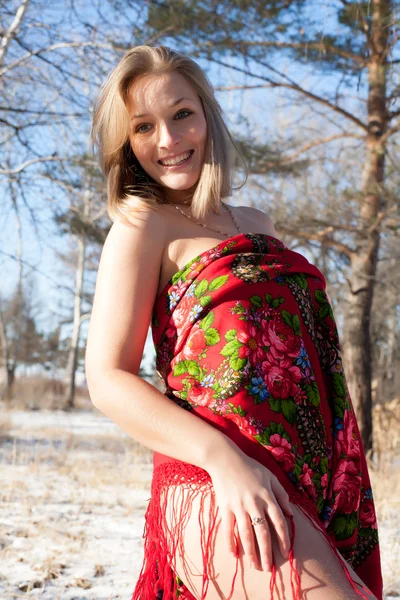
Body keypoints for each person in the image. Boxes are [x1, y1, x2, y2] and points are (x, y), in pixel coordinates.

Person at [85, 45, 383, 600]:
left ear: (207, 116)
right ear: (126, 142)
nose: (169, 141)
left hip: (307, 478)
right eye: (144, 126)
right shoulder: (142, 225)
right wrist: (224, 463)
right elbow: (107, 379)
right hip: (218, 481)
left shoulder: (258, 223)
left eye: (182, 114)